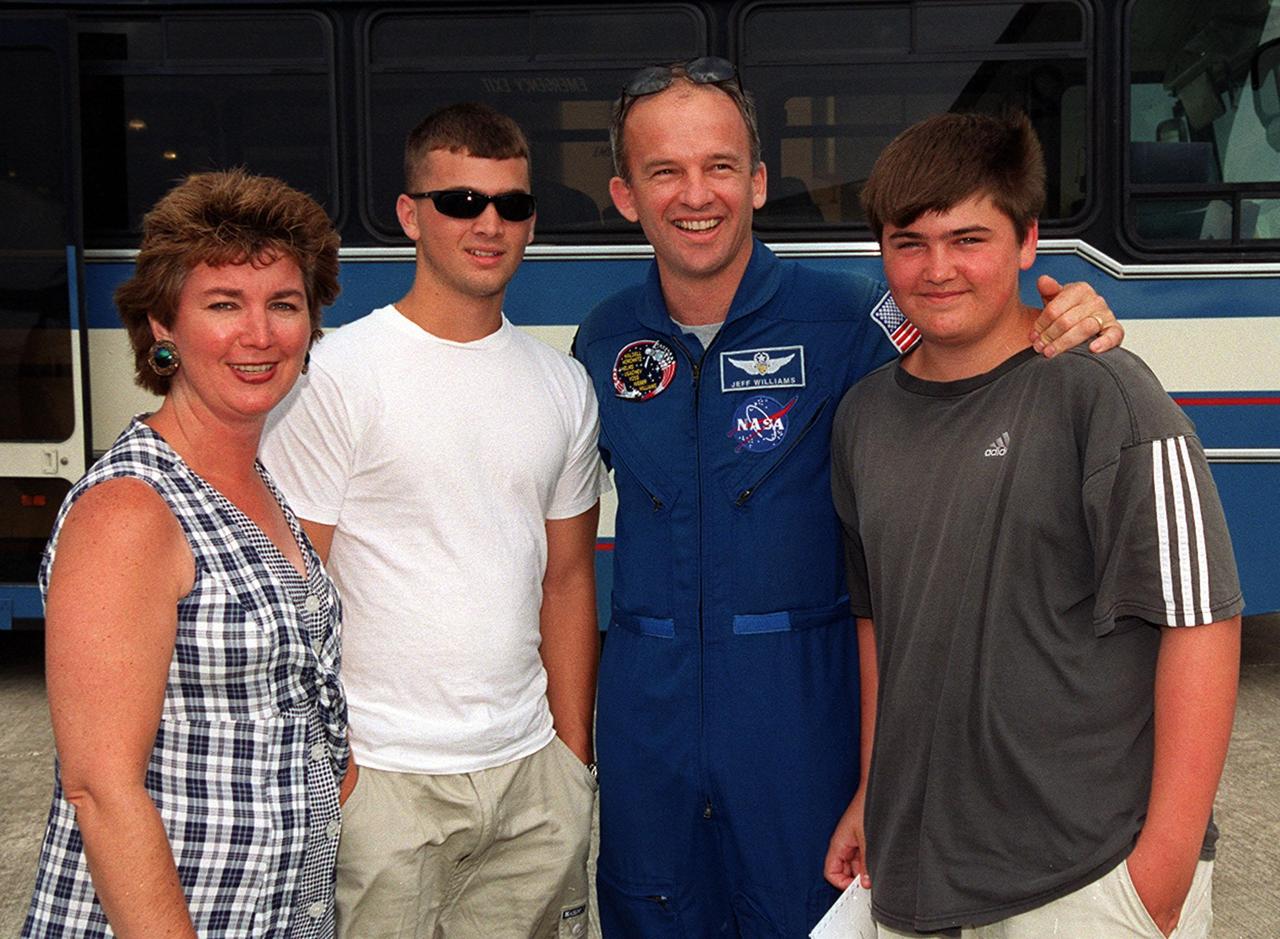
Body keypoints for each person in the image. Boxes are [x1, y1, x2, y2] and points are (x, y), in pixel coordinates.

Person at [571, 59, 1126, 937]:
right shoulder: (603, 339)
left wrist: (1062, 324)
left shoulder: (852, 320)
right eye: (663, 171)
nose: (695, 195)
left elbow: (969, 383)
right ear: (624, 194)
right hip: (649, 729)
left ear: (757, 181)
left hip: (806, 722)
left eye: (719, 166)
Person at [825, 111, 1242, 937]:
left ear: (1027, 242)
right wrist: (876, 791)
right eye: (909, 241)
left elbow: (1203, 623)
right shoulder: (863, 417)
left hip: (1084, 880)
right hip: (919, 873)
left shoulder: (1108, 395)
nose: (938, 268)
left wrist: (1157, 874)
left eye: (969, 237)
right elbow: (880, 621)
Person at [260, 102, 608, 939]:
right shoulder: (334, 375)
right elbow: (290, 588)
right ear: (411, 215)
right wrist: (333, 768)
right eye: (460, 202)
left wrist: (570, 757)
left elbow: (566, 578)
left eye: (512, 204)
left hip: (531, 780)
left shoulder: (563, 386)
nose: (489, 224)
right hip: (383, 781)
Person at [23, 169, 349, 938]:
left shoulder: (253, 483)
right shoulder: (131, 510)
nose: (259, 334)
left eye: (283, 304)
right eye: (223, 304)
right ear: (163, 324)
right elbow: (101, 788)